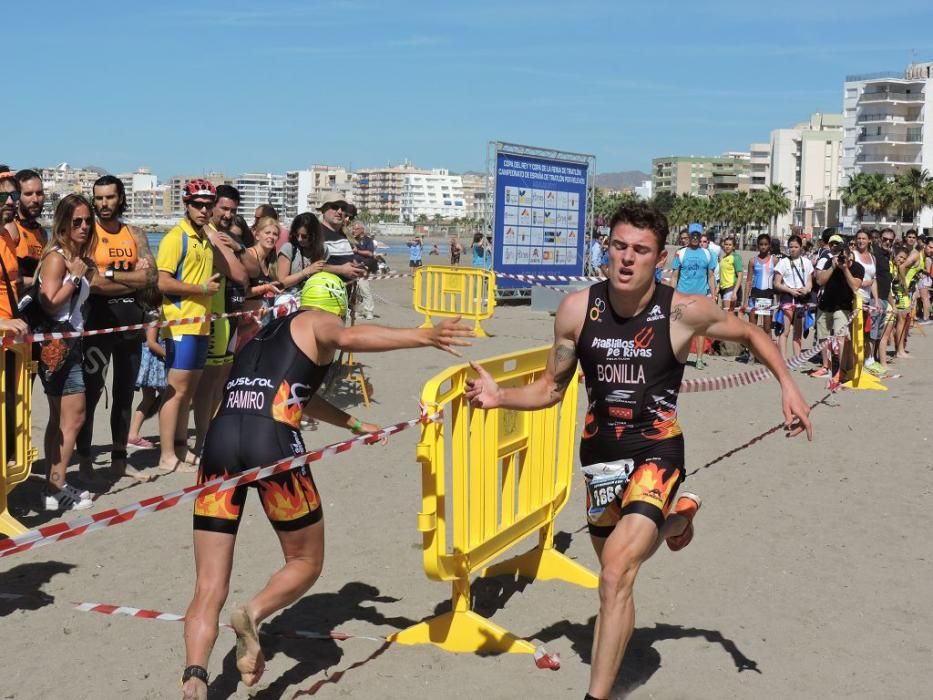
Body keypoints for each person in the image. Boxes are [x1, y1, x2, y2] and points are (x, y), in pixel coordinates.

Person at [464, 202, 812, 700]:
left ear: (660, 258)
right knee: (617, 578)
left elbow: (752, 333)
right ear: (607, 249)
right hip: (600, 456)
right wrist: (500, 398)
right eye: (619, 246)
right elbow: (550, 388)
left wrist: (787, 385)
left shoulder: (682, 311)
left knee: (613, 572)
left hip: (657, 451)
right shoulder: (576, 310)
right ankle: (679, 520)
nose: (627, 259)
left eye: (640, 250)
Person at [178, 304, 473, 700]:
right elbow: (350, 338)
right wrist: (423, 335)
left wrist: (354, 424)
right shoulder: (317, 319)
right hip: (272, 441)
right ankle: (253, 612)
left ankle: (195, 678)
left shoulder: (261, 336)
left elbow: (297, 396)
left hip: (220, 438)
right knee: (305, 561)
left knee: (208, 584)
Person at [76, 175, 160, 484]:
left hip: (131, 325)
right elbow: (91, 281)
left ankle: (119, 459)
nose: (103, 204)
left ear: (120, 198)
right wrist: (126, 275)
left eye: (109, 198)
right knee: (91, 393)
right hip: (97, 323)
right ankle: (84, 459)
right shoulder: (87, 233)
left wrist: (109, 273)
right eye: (98, 198)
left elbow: (150, 278)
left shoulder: (134, 233)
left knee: (124, 393)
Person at [154, 180, 225, 474]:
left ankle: (181, 448)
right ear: (187, 204)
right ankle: (166, 454)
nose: (204, 210)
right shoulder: (175, 237)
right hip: (181, 322)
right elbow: (162, 282)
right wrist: (200, 289)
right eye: (198, 204)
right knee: (176, 391)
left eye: (209, 205)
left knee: (190, 391)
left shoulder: (204, 238)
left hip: (201, 323)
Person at [36, 194, 98, 511]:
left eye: (88, 220)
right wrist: (74, 276)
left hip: (65, 342)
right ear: (63, 223)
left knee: (60, 419)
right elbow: (49, 301)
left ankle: (53, 484)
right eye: (77, 221)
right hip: (57, 344)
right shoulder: (58, 258)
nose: (84, 226)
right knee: (74, 418)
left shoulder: (73, 256)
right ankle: (56, 486)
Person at [192, 185, 250, 457]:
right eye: (224, 208)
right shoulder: (211, 235)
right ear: (212, 206)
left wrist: (238, 246)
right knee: (208, 383)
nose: (228, 214)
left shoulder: (227, 236)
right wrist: (238, 255)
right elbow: (241, 274)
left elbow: (254, 268)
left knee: (222, 380)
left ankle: (211, 434)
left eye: (233, 211)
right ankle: (203, 440)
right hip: (213, 314)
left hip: (230, 314)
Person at [811, 235, 864, 382]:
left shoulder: (857, 267)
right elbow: (820, 280)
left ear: (850, 256)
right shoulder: (830, 262)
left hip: (843, 306)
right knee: (823, 338)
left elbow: (855, 286)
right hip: (826, 304)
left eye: (843, 257)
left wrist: (845, 268)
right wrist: (833, 266)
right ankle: (825, 366)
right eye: (838, 257)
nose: (840, 259)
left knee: (841, 338)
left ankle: (840, 370)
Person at [670, 223, 716, 369]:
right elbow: (674, 276)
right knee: (681, 328)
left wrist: (714, 296)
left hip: (701, 298)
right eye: (693, 235)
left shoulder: (708, 254)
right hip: (683, 296)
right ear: (689, 236)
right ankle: (679, 358)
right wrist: (671, 295)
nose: (695, 237)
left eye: (698, 235)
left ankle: (699, 359)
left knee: (700, 329)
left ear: (701, 236)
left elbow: (710, 277)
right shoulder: (680, 253)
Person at [127, 306, 166, 449]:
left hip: (152, 361)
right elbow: (151, 342)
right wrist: (168, 355)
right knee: (167, 398)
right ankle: (167, 435)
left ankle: (132, 434)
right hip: (154, 362)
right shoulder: (155, 314)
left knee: (149, 398)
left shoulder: (151, 312)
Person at [738, 233, 778, 363]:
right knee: (753, 327)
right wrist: (745, 301)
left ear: (769, 246)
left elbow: (777, 281)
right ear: (758, 246)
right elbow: (749, 281)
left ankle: (768, 355)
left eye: (766, 244)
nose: (763, 247)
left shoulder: (774, 260)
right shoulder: (752, 261)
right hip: (754, 296)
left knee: (767, 328)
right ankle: (752, 354)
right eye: (761, 244)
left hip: (768, 295)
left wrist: (777, 300)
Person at [772, 235, 814, 360]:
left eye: (796, 247)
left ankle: (797, 359)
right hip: (787, 298)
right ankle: (783, 359)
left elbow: (809, 282)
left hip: (801, 299)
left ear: (801, 248)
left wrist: (806, 289)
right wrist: (790, 290)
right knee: (785, 331)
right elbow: (777, 283)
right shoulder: (783, 263)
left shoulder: (806, 262)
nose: (793, 249)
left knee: (798, 332)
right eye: (791, 247)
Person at [7, 169, 47, 291]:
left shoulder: (42, 233)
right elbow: (9, 279)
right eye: (28, 194)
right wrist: (44, 281)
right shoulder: (11, 228)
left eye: (39, 193)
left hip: (37, 306)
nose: (35, 199)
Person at [317, 197, 366, 283]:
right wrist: (341, 270)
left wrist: (356, 267)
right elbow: (309, 265)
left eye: (343, 208)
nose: (339, 212)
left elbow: (344, 260)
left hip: (345, 293)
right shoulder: (316, 233)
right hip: (325, 293)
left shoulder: (342, 233)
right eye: (335, 207)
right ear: (324, 210)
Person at [276, 212, 325, 297]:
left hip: (314, 297)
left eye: (304, 236)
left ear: (314, 235)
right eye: (296, 235)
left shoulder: (323, 249)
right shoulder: (289, 248)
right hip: (290, 298)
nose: (299, 239)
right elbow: (281, 283)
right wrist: (306, 272)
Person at [351, 222, 377, 320]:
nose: (354, 231)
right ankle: (356, 311)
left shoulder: (368, 240)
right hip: (353, 268)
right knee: (354, 292)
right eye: (353, 229)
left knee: (365, 291)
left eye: (356, 229)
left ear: (362, 230)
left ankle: (369, 311)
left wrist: (357, 251)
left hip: (363, 268)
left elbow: (370, 253)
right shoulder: (351, 240)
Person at [717, 235, 743, 311]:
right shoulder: (723, 258)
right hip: (723, 289)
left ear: (734, 247)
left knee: (729, 316)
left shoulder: (735, 257)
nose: (727, 247)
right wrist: (718, 288)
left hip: (731, 289)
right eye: (726, 244)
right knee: (726, 315)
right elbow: (722, 275)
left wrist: (735, 292)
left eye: (730, 245)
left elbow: (740, 275)